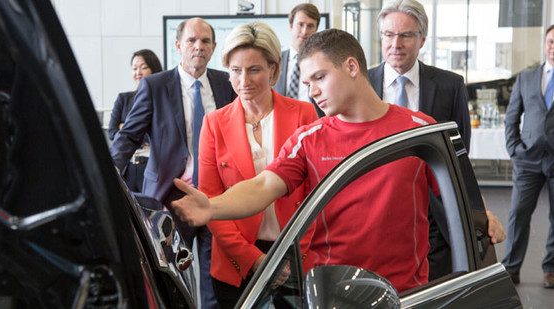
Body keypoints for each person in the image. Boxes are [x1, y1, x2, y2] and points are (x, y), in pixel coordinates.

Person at [172, 28, 506, 293]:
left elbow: (457, 192)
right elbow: (263, 186)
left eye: (319, 78)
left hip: (404, 292)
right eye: (306, 83)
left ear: (351, 66)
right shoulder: (309, 138)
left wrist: (482, 217)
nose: (312, 91)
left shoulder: (419, 130)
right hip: (331, 292)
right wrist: (213, 208)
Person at [109, 18, 237, 308]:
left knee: (213, 278)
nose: (198, 47)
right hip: (168, 197)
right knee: (171, 279)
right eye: (192, 41)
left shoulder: (225, 84)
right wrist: (108, 174)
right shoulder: (155, 86)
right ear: (178, 45)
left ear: (213, 47)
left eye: (205, 41)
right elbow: (129, 135)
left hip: (215, 196)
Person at [199, 21, 318, 308]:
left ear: (273, 70)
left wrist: (289, 257)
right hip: (236, 263)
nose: (244, 81)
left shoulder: (304, 114)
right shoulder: (214, 124)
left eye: (254, 70)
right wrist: (254, 260)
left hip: (296, 257)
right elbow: (211, 203)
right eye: (235, 71)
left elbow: (317, 195)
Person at [368, 0, 471, 281]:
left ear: (422, 39)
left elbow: (459, 155)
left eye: (406, 35)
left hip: (433, 215)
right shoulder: (362, 84)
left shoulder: (450, 86)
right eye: (389, 35)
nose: (396, 43)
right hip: (375, 210)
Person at [502, 24, 554, 288]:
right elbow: (512, 118)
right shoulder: (526, 78)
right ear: (545, 45)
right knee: (518, 214)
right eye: (551, 42)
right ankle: (511, 268)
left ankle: (551, 269)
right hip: (528, 159)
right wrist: (514, 149)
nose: (553, 47)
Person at [108, 49, 162, 192]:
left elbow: (157, 136)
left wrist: (125, 126)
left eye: (144, 67)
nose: (138, 72)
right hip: (128, 167)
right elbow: (112, 132)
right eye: (134, 68)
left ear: (154, 69)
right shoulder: (123, 99)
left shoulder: (161, 101)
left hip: (150, 168)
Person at [273, 3, 325, 117]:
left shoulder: (324, 62)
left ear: (316, 29)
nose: (305, 31)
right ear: (291, 26)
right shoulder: (274, 61)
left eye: (310, 26)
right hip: (282, 124)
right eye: (300, 25)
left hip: (315, 124)